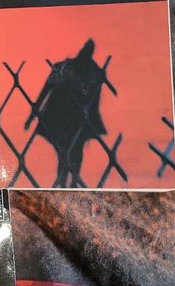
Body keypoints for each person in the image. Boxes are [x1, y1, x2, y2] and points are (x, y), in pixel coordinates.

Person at [25, 39, 111, 187]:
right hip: (59, 118)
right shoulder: (63, 68)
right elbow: (46, 91)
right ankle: (63, 180)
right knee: (64, 151)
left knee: (76, 150)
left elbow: (94, 99)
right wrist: (32, 116)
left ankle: (73, 182)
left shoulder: (93, 72)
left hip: (79, 120)